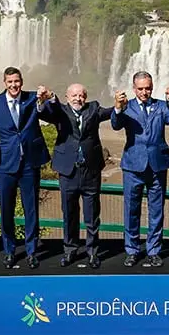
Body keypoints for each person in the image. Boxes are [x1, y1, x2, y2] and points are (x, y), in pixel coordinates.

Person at [39, 83, 113, 269]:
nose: (78, 98)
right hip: (68, 171)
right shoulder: (59, 111)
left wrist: (120, 106)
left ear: (85, 97)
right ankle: (70, 251)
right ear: (66, 96)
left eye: (81, 95)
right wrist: (48, 97)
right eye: (74, 95)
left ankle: (92, 252)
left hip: (90, 171)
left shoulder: (94, 108)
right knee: (69, 214)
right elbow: (45, 112)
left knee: (92, 216)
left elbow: (110, 113)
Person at [0, 67, 52, 269]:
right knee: (6, 210)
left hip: (30, 162)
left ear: (21, 81)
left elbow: (48, 112)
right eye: (10, 82)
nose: (14, 85)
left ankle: (31, 251)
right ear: (4, 83)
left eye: (17, 81)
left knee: (31, 210)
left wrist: (45, 99)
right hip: (6, 164)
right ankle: (9, 250)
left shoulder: (33, 98)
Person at [111, 71, 169, 267]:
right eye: (140, 89)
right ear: (134, 89)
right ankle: (132, 250)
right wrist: (117, 108)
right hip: (133, 166)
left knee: (156, 211)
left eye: (148, 88)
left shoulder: (161, 105)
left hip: (158, 165)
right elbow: (116, 125)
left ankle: (153, 250)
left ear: (152, 87)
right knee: (131, 209)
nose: (144, 92)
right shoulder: (127, 107)